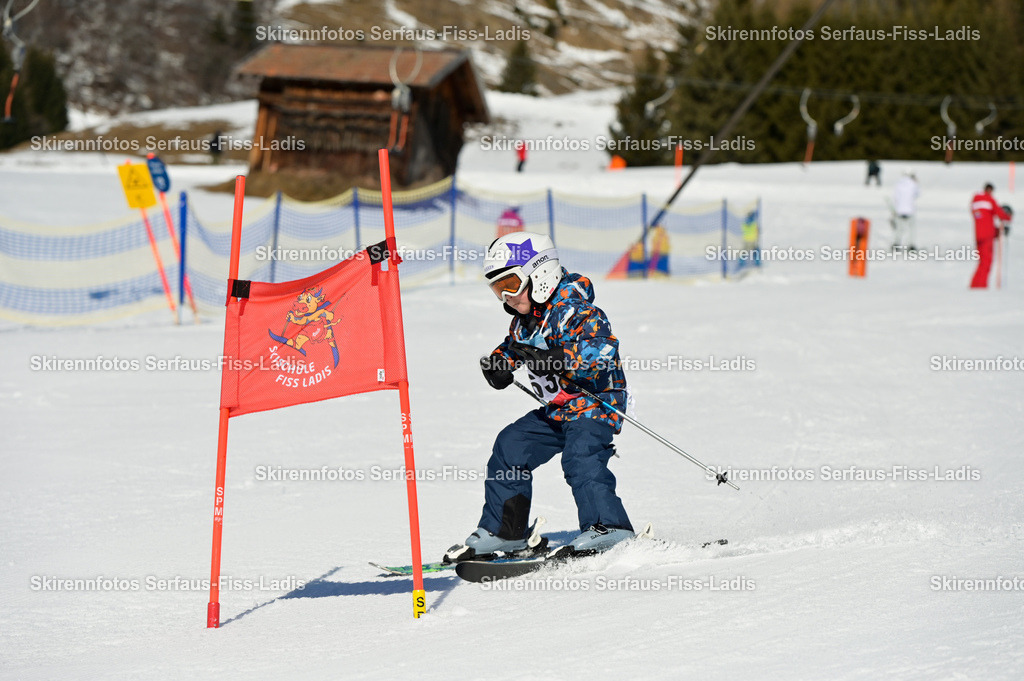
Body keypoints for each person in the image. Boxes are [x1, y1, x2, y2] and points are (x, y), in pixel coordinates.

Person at [445, 232, 634, 562]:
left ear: (540, 274)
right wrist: (499, 364)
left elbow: (601, 352)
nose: (506, 297)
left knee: (581, 455)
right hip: (559, 409)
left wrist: (556, 358)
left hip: (594, 404)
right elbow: (513, 347)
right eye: (497, 289)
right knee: (511, 445)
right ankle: (505, 532)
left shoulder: (578, 313)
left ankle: (609, 527)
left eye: (510, 285)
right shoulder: (525, 320)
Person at [970, 183, 1012, 289]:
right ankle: (981, 287)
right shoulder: (989, 200)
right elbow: (1000, 213)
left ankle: (975, 285)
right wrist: (1008, 217)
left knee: (981, 262)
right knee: (986, 262)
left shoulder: (975, 200)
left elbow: (983, 219)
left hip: (978, 235)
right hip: (988, 236)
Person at [892, 171, 919, 251]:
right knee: (911, 229)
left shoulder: (898, 184)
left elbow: (895, 197)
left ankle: (896, 243)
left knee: (899, 228)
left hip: (899, 210)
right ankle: (910, 245)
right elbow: (917, 194)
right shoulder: (914, 184)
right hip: (910, 210)